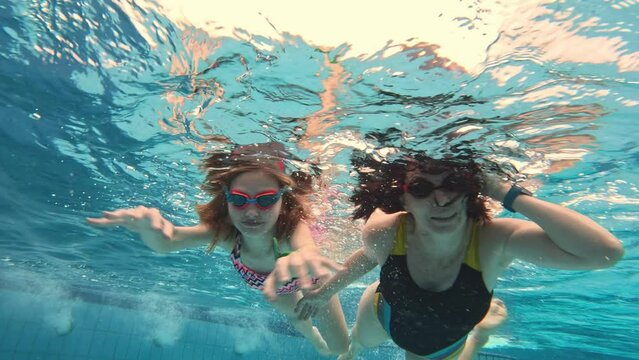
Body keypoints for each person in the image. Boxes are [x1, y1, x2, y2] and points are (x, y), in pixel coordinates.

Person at [276, 151, 623, 360]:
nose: (440, 200)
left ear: (472, 192)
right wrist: (326, 292)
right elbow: (368, 257)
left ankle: (481, 335)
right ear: (405, 199)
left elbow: (605, 253)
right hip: (383, 315)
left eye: (453, 184)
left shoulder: (493, 240)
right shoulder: (384, 231)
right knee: (357, 343)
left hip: (443, 344)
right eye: (423, 189)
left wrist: (507, 193)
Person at [86, 142, 349, 355]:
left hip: (314, 284)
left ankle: (330, 342)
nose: (252, 211)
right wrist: (147, 228)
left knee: (340, 348)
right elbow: (168, 243)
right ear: (227, 199)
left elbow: (307, 250)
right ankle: (314, 340)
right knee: (296, 318)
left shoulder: (291, 228)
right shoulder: (225, 234)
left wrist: (305, 257)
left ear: (283, 198)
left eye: (266, 199)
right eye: (239, 199)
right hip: (276, 288)